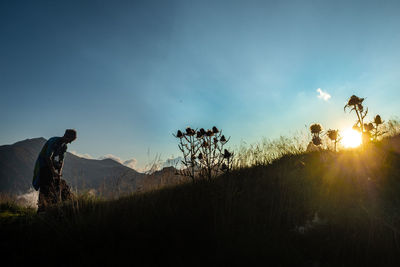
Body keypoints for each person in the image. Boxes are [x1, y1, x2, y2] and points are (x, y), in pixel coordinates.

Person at [33, 129, 77, 212]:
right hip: (43, 164)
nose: (70, 142)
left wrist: (59, 173)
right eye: (70, 140)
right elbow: (47, 157)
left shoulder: (64, 146)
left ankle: (54, 207)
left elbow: (61, 161)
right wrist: (53, 171)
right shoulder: (54, 141)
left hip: (51, 164)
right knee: (46, 186)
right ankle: (42, 209)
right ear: (66, 136)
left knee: (57, 184)